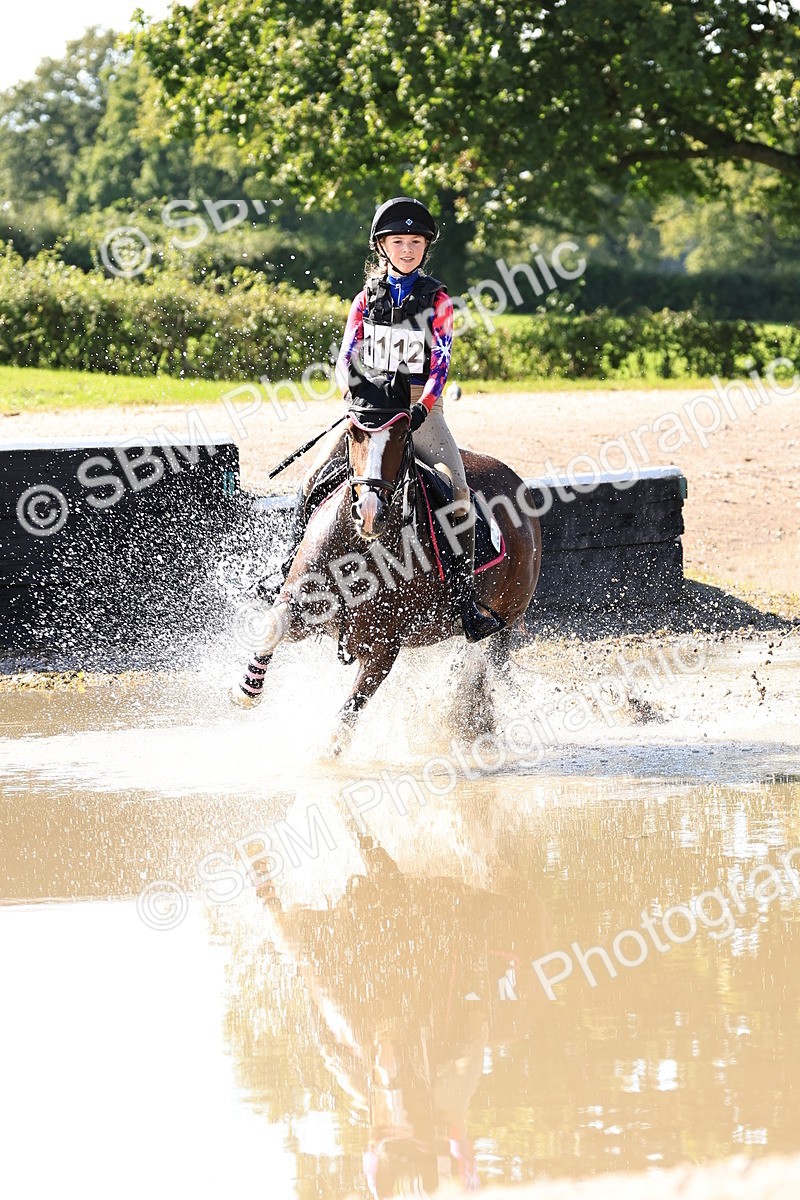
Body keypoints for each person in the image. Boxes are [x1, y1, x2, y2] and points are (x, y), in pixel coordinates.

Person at [271, 195, 503, 643]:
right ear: (383, 246)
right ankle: (284, 575)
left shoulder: (437, 299)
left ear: (425, 247)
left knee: (457, 489)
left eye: (415, 242)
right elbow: (345, 357)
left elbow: (441, 362)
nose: (407, 249)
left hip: (418, 410)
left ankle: (464, 601)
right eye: (398, 242)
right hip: (368, 409)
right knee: (311, 479)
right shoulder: (365, 298)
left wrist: (424, 405)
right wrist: (353, 394)